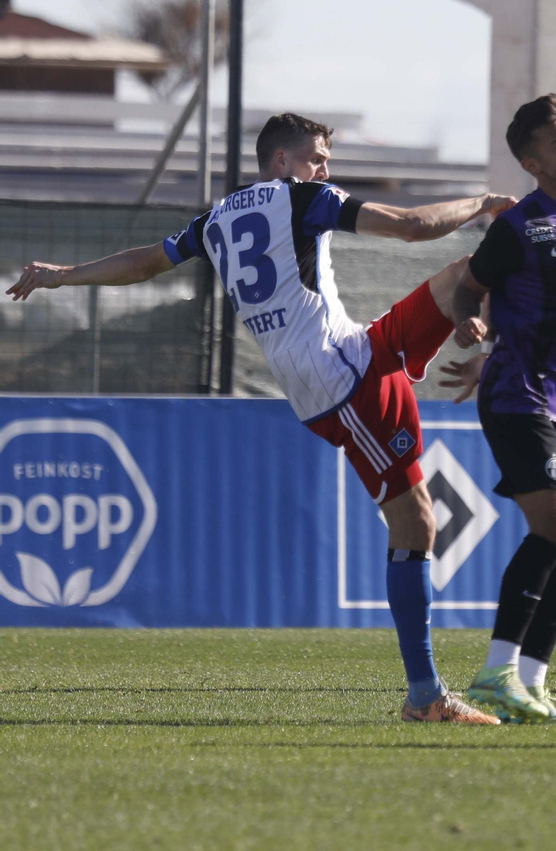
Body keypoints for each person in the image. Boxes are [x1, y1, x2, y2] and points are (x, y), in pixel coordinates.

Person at [7, 113, 513, 724]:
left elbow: (145, 263)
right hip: (340, 381)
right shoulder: (303, 199)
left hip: (353, 351)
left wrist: (66, 275)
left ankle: (492, 343)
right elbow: (408, 226)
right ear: (280, 161)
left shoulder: (217, 218)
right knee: (415, 523)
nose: (324, 170)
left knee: (464, 275)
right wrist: (484, 202)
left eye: (325, 161)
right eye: (315, 158)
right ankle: (425, 696)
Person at [437, 94, 556, 726]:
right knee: (555, 529)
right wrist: (471, 329)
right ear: (533, 163)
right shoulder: (520, 226)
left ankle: (530, 686)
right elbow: (469, 291)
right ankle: (494, 676)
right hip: (515, 396)